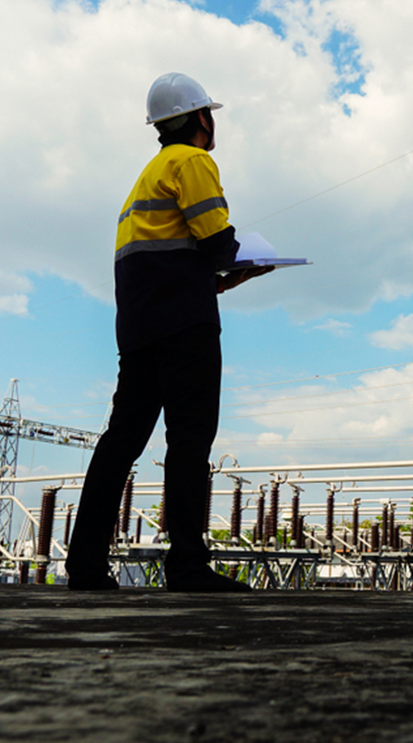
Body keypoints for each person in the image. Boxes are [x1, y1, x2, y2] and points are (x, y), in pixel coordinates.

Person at [65, 73, 271, 592]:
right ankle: (186, 566)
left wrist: (221, 281)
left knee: (121, 441)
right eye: (210, 114)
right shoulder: (192, 162)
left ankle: (85, 565)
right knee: (189, 440)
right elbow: (218, 244)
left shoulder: (147, 177)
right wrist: (248, 260)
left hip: (140, 328)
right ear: (201, 117)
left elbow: (167, 263)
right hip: (186, 327)